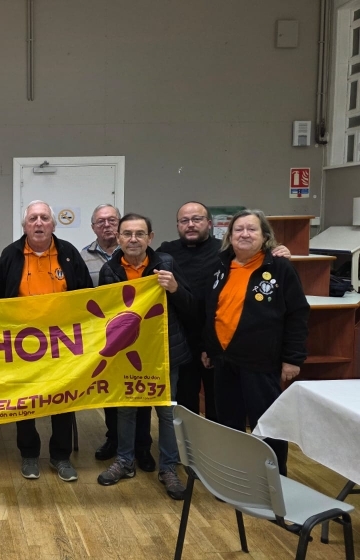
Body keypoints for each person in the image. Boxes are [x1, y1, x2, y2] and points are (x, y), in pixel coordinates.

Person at [158, 201, 291, 422]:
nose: (191, 224)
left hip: (220, 342)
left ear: (209, 223)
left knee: (221, 404)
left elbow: (257, 254)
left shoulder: (225, 252)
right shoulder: (165, 252)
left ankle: (223, 442)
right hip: (182, 339)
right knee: (185, 399)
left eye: (197, 219)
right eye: (184, 220)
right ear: (177, 225)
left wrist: (280, 251)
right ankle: (190, 443)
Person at [202, 210, 309, 477]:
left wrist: (293, 358)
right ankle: (235, 477)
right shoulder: (220, 265)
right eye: (238, 229)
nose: (245, 234)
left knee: (268, 424)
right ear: (229, 236)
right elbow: (212, 310)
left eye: (252, 229)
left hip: (261, 362)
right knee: (229, 423)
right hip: (224, 359)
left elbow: (297, 313)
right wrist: (209, 347)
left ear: (264, 236)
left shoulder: (280, 268)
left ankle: (274, 480)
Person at [96, 213, 195, 500]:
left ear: (150, 237)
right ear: (118, 237)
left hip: (164, 354)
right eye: (127, 234)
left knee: (166, 412)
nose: (133, 239)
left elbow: (191, 305)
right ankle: (125, 461)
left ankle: (168, 467)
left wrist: (174, 289)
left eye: (140, 234)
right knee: (126, 410)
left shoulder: (166, 264)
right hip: (128, 353)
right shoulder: (109, 270)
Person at [0, 200, 93, 482]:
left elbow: (87, 293)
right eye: (33, 218)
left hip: (63, 342)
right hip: (22, 343)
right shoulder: (10, 254)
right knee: (25, 399)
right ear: (24, 226)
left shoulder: (69, 253)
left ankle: (61, 456)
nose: (39, 223)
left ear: (53, 225)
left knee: (62, 398)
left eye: (44, 218)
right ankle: (29, 454)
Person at [83, 204, 154, 471]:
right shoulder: (82, 257)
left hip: (144, 339)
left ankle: (142, 447)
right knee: (112, 395)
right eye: (100, 221)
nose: (106, 225)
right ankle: (113, 440)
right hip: (107, 339)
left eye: (112, 220)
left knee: (142, 394)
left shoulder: (152, 259)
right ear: (93, 227)